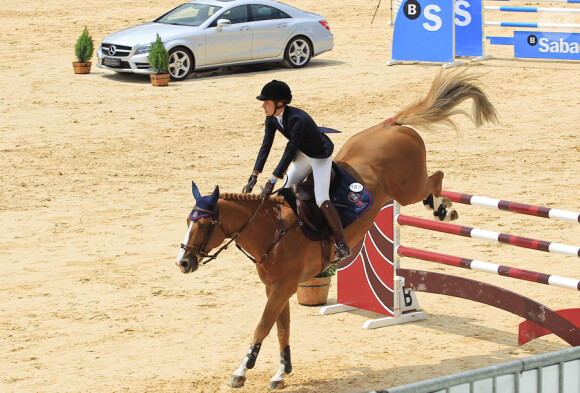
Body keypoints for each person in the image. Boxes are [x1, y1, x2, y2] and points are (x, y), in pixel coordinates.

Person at [242, 80, 351, 260]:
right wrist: (255, 173)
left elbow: (289, 151)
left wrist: (272, 180)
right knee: (286, 190)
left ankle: (341, 244)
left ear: (279, 103)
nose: (263, 106)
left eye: (266, 102)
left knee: (321, 198)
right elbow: (266, 145)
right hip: (303, 155)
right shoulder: (271, 118)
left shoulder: (297, 119)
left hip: (319, 157)